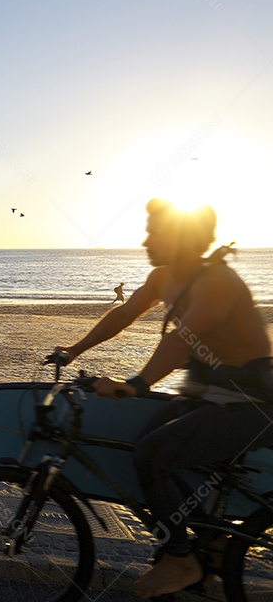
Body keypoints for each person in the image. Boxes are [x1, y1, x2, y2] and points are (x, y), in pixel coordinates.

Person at [55, 199, 273, 599]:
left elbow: (181, 339)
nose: (145, 240)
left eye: (155, 233)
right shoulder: (163, 277)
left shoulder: (217, 281)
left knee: (153, 454)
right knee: (148, 442)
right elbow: (123, 315)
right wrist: (72, 351)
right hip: (209, 394)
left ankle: (180, 558)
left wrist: (136, 384)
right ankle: (210, 546)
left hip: (252, 401)